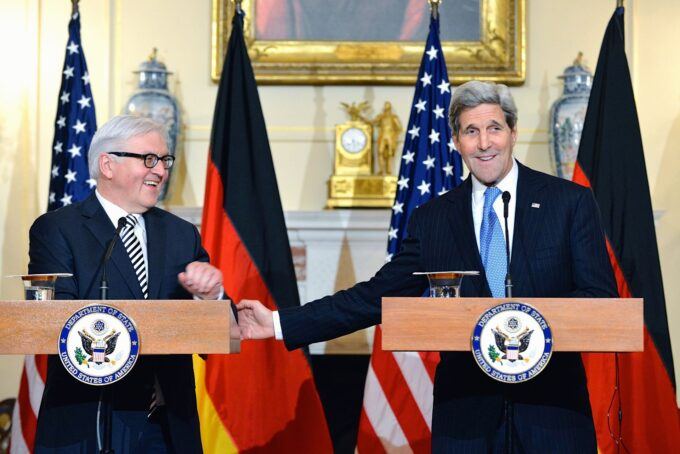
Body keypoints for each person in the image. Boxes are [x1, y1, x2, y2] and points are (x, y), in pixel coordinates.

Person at [237, 81, 617, 452]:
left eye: (494, 128)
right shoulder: (433, 218)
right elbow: (373, 296)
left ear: (513, 133)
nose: (484, 143)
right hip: (466, 417)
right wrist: (277, 322)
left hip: (553, 413)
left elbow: (599, 301)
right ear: (456, 141)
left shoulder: (569, 203)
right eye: (471, 131)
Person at [30, 115, 224, 453]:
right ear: (107, 164)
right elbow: (55, 326)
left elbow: (220, 333)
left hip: (165, 428)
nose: (161, 171)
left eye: (165, 160)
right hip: (87, 422)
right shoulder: (58, 230)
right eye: (148, 159)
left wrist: (210, 298)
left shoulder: (181, 234)